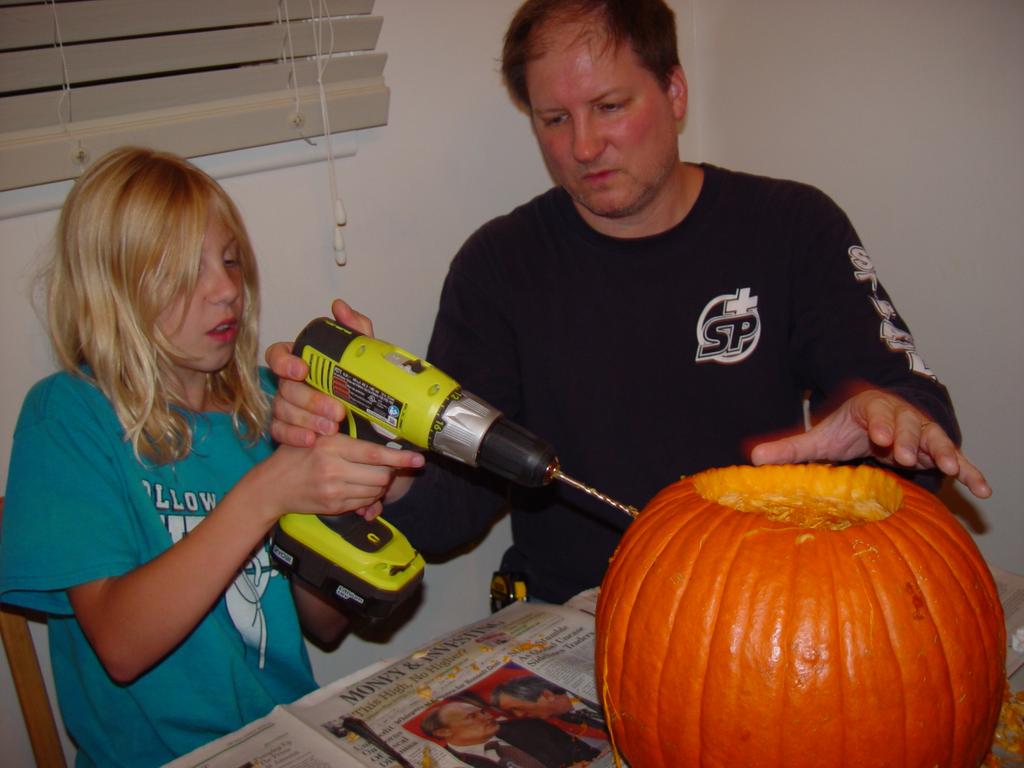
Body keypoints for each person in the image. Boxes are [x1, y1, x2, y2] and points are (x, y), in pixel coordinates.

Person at [266, 0, 990, 604]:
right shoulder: (498, 267)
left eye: (609, 107)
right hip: (579, 619)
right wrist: (375, 471)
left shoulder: (791, 226)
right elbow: (453, 505)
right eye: (554, 120)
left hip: (759, 606)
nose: (583, 147)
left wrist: (893, 417)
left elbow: (914, 411)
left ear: (674, 93)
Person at [0, 147, 423, 766]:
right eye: (182, 272)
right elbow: (120, 646)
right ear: (110, 289)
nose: (227, 289)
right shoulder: (67, 417)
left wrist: (360, 475)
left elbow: (324, 625)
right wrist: (265, 494)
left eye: (229, 261)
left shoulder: (268, 408)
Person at [420, 698, 599, 768]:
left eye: (482, 711)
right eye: (472, 717)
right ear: (443, 732)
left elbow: (588, 754)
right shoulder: (447, 764)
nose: (486, 716)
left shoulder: (531, 727)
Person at [491, 677, 607, 742]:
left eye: (516, 708)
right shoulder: (568, 719)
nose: (519, 715)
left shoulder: (596, 689)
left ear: (547, 696)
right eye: (512, 712)